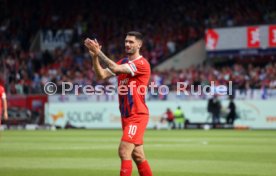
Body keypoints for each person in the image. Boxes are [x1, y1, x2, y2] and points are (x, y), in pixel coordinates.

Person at [84, 31, 152, 176]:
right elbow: (101, 75)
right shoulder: (122, 62)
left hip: (137, 115)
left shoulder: (142, 63)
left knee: (123, 151)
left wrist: (99, 52)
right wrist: (95, 57)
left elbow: (115, 69)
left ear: (139, 44)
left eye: (131, 42)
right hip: (126, 116)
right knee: (138, 155)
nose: (127, 44)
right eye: (126, 41)